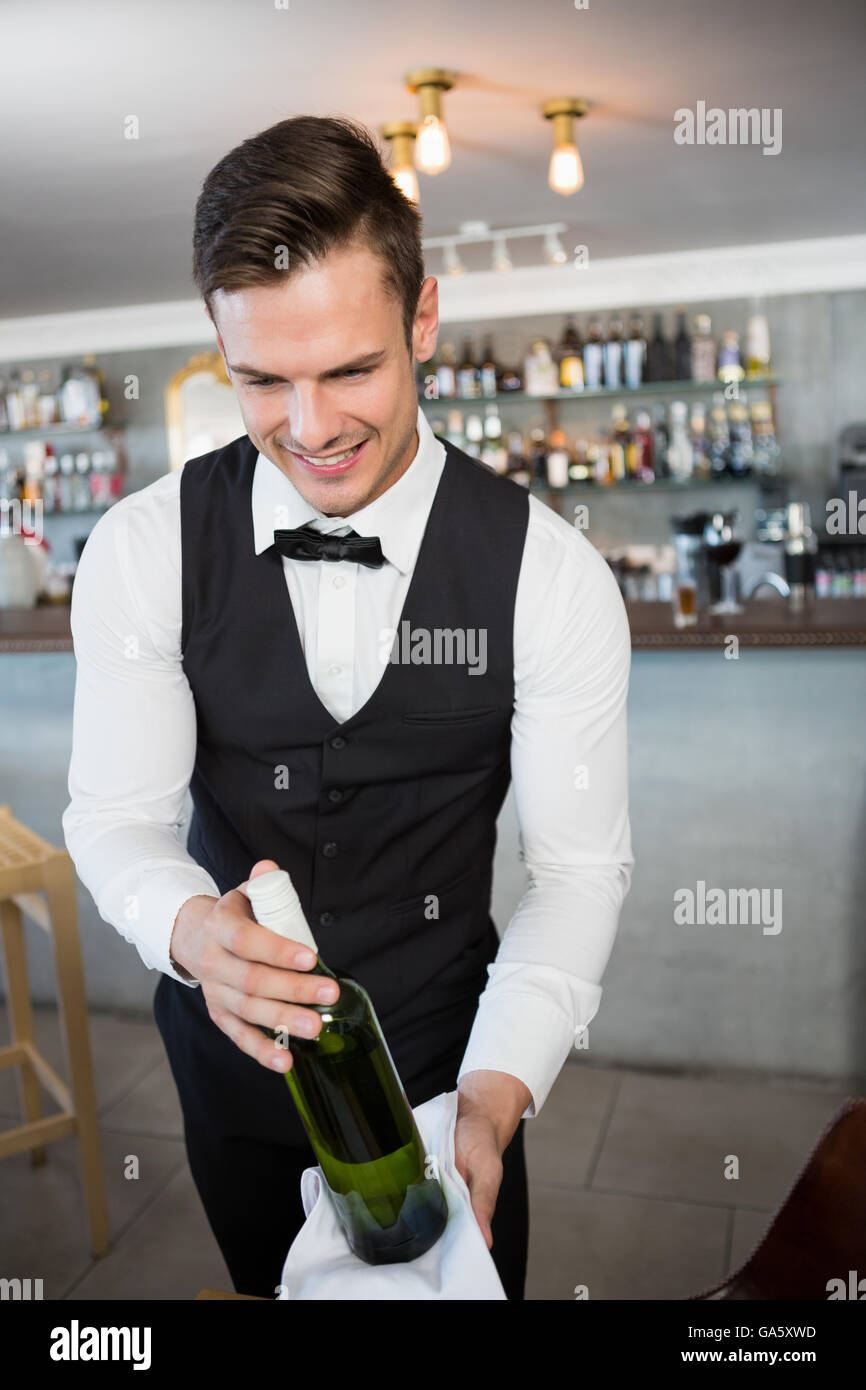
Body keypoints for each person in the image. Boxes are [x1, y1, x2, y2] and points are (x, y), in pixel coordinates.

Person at [63, 115, 633, 1301]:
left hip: (449, 1076)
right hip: (235, 1082)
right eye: (261, 380)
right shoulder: (141, 549)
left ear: (422, 320)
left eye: (350, 369)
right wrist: (186, 932)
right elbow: (117, 818)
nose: (310, 430)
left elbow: (575, 876)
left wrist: (493, 1094)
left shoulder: (548, 573)